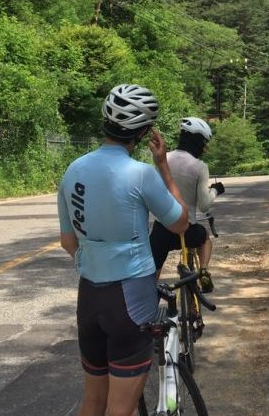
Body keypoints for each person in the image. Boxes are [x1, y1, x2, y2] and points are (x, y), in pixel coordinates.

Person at [57, 83, 190, 416]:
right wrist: (163, 166)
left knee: (93, 401)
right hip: (131, 298)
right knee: (121, 408)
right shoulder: (142, 174)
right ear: (144, 132)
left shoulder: (73, 170)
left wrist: (94, 264)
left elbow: (68, 241)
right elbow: (180, 223)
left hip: (89, 296)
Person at [149, 116, 225, 293]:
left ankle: (148, 300)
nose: (205, 148)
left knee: (152, 273)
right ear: (198, 141)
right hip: (187, 229)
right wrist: (215, 191)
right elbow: (204, 205)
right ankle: (204, 270)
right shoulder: (199, 166)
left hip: (162, 228)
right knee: (205, 238)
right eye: (204, 143)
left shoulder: (163, 159)